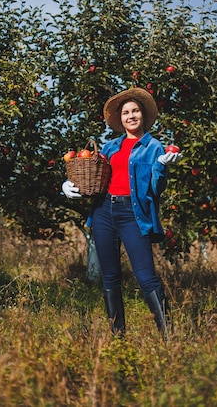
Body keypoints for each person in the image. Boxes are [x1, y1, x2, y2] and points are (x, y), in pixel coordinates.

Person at [62, 87, 182, 338]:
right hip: (105, 211)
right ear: (121, 119)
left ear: (143, 115)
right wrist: (70, 186)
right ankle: (119, 337)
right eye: (126, 112)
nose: (131, 116)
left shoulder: (153, 146)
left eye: (135, 110)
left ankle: (168, 337)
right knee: (110, 277)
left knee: (145, 277)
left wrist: (161, 168)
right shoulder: (109, 147)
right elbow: (95, 176)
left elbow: (156, 190)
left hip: (132, 213)